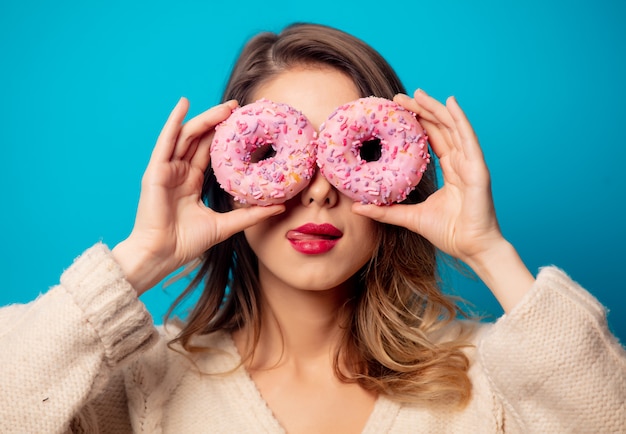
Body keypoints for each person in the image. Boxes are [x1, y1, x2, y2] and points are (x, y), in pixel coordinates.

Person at [1, 23, 624, 433]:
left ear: (404, 179)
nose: (321, 188)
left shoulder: (488, 382)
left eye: (351, 155)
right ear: (226, 175)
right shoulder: (137, 390)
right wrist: (139, 259)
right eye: (279, 152)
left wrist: (490, 252)